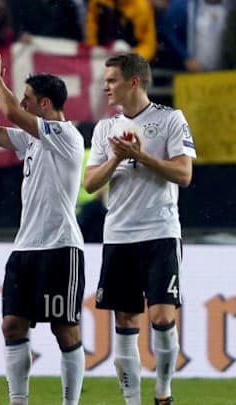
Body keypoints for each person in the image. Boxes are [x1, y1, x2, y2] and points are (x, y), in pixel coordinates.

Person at [83, 52, 197, 405]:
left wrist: (142, 155)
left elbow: (184, 175)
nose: (106, 87)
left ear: (134, 81)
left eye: (112, 80)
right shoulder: (105, 128)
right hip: (119, 236)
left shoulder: (170, 120)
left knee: (163, 315)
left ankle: (163, 391)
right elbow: (90, 183)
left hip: (160, 232)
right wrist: (117, 157)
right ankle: (132, 401)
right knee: (126, 320)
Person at [0, 49, 86, 405]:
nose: (21, 104)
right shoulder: (32, 139)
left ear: (44, 104)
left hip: (60, 246)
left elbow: (9, 112)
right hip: (25, 247)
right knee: (12, 325)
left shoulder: (65, 135)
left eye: (27, 99)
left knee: (64, 330)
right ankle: (18, 401)